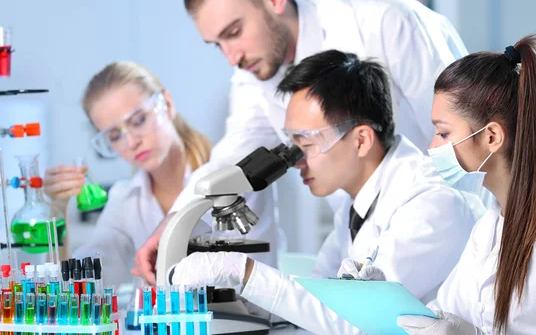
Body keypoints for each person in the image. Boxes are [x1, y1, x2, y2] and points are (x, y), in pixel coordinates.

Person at [134, 0, 469, 283]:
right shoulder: (254, 73)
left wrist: (448, 237)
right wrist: (178, 220)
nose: (230, 57)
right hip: (364, 238)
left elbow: (462, 132)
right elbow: (235, 156)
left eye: (234, 33)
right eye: (217, 44)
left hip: (445, 238)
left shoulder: (385, 21)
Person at [168, 50, 485, 334]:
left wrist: (244, 272)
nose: (296, 162)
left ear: (361, 140)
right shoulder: (356, 205)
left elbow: (351, 323)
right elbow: (315, 294)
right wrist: (240, 305)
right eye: (292, 145)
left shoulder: (432, 204)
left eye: (306, 144)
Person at [386, 35, 536, 334]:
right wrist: (377, 296)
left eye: (443, 133)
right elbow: (442, 316)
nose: (431, 146)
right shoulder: (490, 226)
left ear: (492, 137)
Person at [43, 61, 212, 286]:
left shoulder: (230, 175)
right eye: (114, 136)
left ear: (167, 104)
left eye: (139, 120)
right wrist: (56, 211)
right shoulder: (125, 200)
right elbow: (78, 287)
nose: (131, 142)